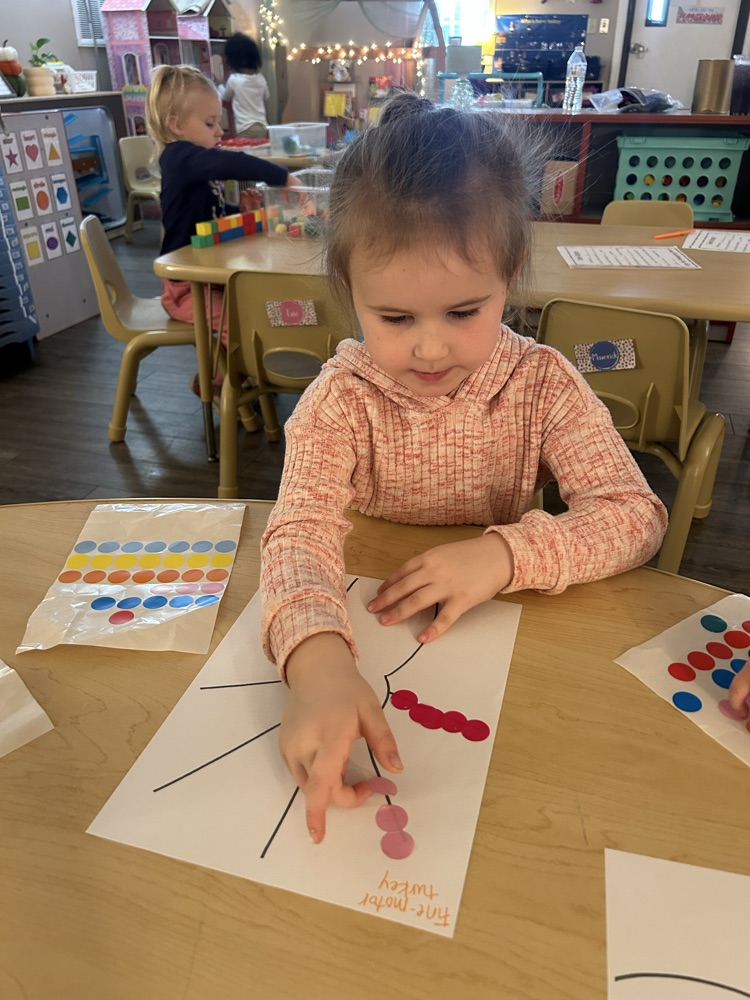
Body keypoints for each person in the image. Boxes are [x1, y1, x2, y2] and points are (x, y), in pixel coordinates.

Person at [259, 91, 669, 846]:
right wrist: (315, 661)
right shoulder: (339, 400)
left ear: (511, 274)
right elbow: (297, 535)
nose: (428, 349)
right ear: (349, 293)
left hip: (511, 650)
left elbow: (634, 515)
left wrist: (506, 554)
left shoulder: (541, 384)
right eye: (394, 318)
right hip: (382, 625)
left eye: (462, 312)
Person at [145, 65, 297, 390]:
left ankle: (233, 378)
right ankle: (222, 383)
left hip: (211, 279)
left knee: (252, 308)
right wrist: (281, 176)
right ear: (176, 125)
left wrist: (237, 211)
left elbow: (209, 216)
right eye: (210, 123)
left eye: (219, 123)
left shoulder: (193, 163)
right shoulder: (178, 157)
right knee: (236, 323)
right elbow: (232, 162)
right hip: (185, 289)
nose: (219, 132)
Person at [219, 33, 269, 140]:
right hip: (262, 125)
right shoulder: (260, 78)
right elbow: (266, 96)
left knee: (245, 148)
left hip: (245, 127)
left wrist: (219, 86)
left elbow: (226, 97)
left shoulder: (234, 79)